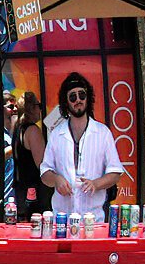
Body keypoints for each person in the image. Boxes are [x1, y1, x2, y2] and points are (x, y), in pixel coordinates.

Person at [41, 72, 124, 223]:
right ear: (66, 102)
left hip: (93, 220)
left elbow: (115, 173)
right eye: (72, 97)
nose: (78, 100)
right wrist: (56, 179)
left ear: (88, 98)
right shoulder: (56, 134)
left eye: (82, 95)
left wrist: (96, 184)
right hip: (61, 220)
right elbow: (45, 173)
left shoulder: (102, 133)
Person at [13, 92, 50, 217]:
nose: (40, 109)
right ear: (32, 108)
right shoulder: (32, 130)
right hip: (35, 193)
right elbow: (42, 165)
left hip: (22, 189)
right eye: (39, 105)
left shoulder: (18, 128)